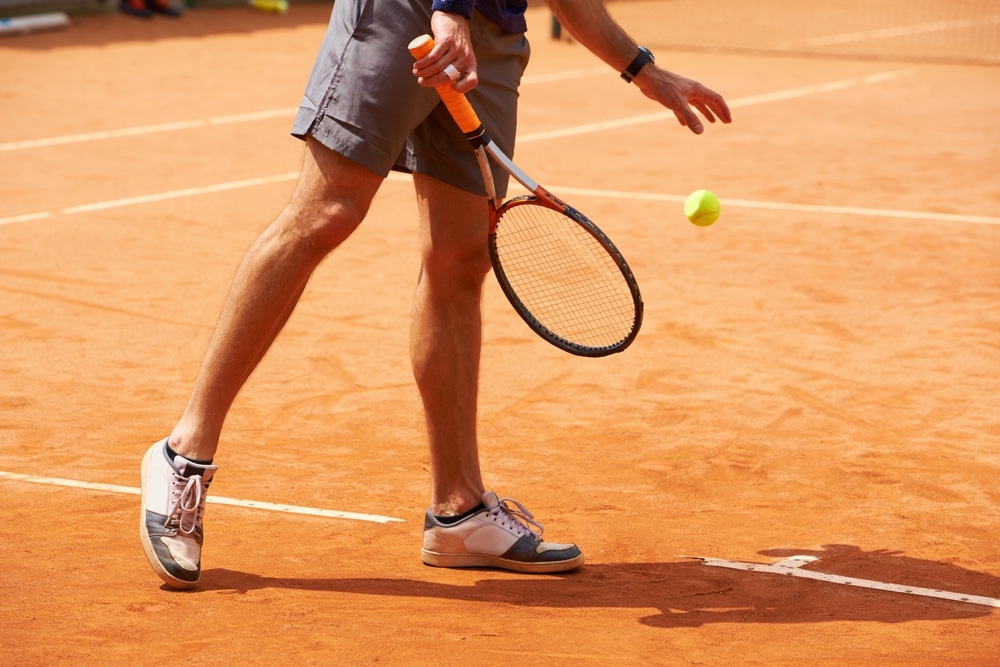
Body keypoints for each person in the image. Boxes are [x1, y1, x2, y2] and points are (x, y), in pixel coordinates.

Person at [139, 0, 732, 590]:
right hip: (409, 10)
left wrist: (641, 68)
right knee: (326, 211)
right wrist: (448, 9)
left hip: (492, 31)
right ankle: (183, 455)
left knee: (461, 258)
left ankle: (460, 511)